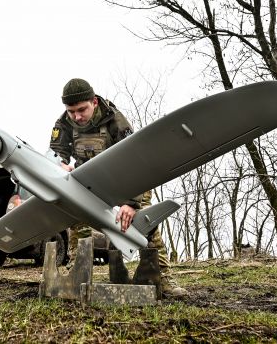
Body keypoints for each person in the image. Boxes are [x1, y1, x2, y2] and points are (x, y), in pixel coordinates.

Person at [49, 78, 187, 297]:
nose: (77, 116)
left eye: (82, 110)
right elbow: (56, 155)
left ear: (94, 102)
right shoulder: (64, 123)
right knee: (77, 220)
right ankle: (77, 271)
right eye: (71, 111)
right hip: (91, 181)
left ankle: (163, 277)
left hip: (129, 179)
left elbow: (136, 160)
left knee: (145, 223)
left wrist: (131, 203)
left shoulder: (115, 120)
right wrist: (60, 166)